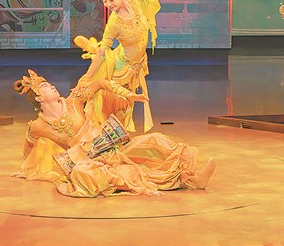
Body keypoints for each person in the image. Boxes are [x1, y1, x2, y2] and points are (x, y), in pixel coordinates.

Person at [14, 69, 216, 197]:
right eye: (46, 86)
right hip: (90, 161)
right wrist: (26, 170)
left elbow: (101, 83)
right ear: (39, 98)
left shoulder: (74, 101)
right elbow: (29, 147)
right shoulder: (38, 125)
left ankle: (193, 178)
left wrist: (127, 94)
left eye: (50, 84)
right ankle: (142, 181)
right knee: (86, 172)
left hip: (113, 146)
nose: (52, 86)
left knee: (155, 140)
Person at [74, 0, 164, 133]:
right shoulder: (114, 23)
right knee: (116, 109)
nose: (108, 4)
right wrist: (87, 77)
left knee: (126, 108)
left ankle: (117, 139)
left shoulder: (135, 1)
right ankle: (105, 139)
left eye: (111, 0)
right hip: (120, 70)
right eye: (104, 1)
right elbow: (102, 51)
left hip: (137, 66)